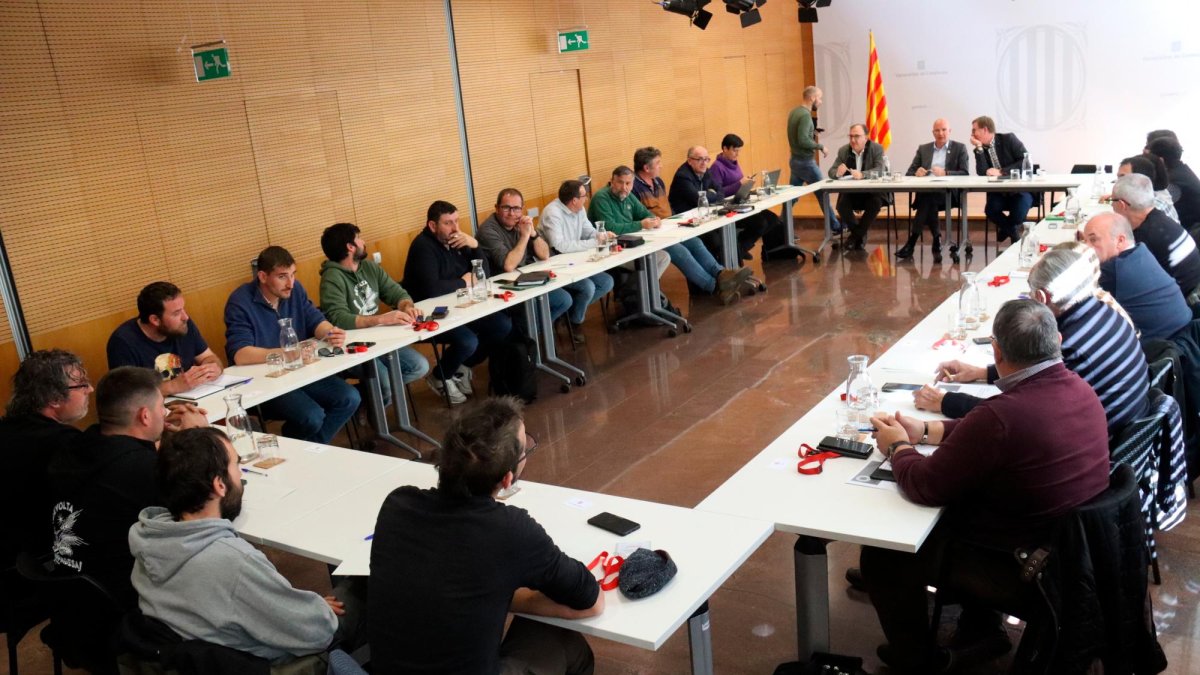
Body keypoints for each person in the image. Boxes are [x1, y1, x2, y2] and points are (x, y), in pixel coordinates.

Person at [863, 299, 1111, 674]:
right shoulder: (1079, 389)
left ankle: (916, 661)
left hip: (1021, 569)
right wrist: (928, 430)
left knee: (883, 554)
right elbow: (989, 431)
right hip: (1073, 558)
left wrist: (897, 446)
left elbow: (923, 484)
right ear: (1056, 340)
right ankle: (981, 628)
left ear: (996, 350)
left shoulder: (1003, 417)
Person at [368, 397, 604, 674]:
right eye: (525, 448)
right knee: (564, 641)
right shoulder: (512, 531)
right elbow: (590, 599)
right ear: (507, 479)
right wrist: (510, 595)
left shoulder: (397, 504)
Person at [129, 427, 361, 669]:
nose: (240, 475)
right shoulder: (233, 562)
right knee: (363, 587)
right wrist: (312, 608)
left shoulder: (149, 538)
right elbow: (317, 632)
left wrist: (297, 606)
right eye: (236, 466)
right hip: (272, 663)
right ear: (220, 485)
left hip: (200, 653)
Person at [916, 247, 1149, 432]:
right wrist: (982, 372)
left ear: (1041, 297)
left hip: (1098, 444)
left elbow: (1018, 416)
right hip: (1122, 429)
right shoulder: (1103, 311)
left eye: (1029, 292)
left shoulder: (1070, 347)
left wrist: (945, 401)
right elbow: (1035, 376)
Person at [46, 367, 206, 608]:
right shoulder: (142, 470)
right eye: (161, 407)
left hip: (71, 594)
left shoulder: (75, 448)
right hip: (125, 603)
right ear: (144, 416)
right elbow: (204, 506)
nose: (165, 414)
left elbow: (131, 459)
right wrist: (200, 435)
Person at [224, 246, 360, 443]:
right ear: (262, 276)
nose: (290, 283)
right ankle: (307, 448)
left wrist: (330, 332)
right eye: (282, 277)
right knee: (311, 416)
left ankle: (310, 448)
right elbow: (241, 354)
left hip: (301, 371)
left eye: (293, 275)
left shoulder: (295, 291)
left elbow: (315, 319)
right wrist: (288, 353)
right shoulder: (240, 302)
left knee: (349, 398)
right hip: (268, 380)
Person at [404, 200, 514, 404]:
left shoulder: (458, 241)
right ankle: (440, 376)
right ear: (432, 226)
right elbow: (431, 290)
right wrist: (463, 282)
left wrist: (475, 246)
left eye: (456, 221)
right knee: (468, 340)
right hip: (430, 314)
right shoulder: (423, 247)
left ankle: (461, 366)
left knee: (502, 325)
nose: (455, 228)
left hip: (461, 307)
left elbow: (484, 275)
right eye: (448, 223)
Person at [596, 161, 748, 305]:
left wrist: (652, 220)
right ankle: (716, 287)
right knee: (678, 251)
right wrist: (640, 224)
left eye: (628, 183)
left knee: (694, 241)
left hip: (637, 238)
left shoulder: (628, 195)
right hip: (615, 247)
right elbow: (611, 227)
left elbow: (644, 213)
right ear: (612, 181)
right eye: (620, 183)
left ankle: (721, 273)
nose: (624, 187)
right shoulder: (602, 198)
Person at [318, 222, 430, 406]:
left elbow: (397, 293)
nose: (363, 242)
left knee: (419, 366)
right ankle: (372, 407)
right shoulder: (331, 278)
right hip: (350, 346)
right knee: (383, 380)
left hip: (378, 340)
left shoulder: (369, 268)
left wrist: (406, 305)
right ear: (350, 247)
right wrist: (380, 319)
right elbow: (338, 319)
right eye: (359, 238)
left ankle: (365, 397)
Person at [1, 350, 91, 573]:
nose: (90, 389)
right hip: (41, 558)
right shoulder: (64, 443)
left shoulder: (8, 429)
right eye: (81, 385)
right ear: (53, 398)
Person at [1083, 212, 1191, 341]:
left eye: (1093, 239)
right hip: (1184, 333)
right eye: (1085, 240)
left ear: (1120, 240)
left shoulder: (1113, 270)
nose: (1087, 247)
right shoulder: (1141, 250)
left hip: (1161, 349)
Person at [107, 281, 225, 396]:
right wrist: (173, 386)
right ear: (155, 320)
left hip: (195, 399)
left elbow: (208, 357)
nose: (185, 317)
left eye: (183, 309)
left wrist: (213, 367)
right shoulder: (122, 342)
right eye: (176, 313)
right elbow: (127, 394)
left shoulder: (183, 325)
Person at [478, 187, 573, 323]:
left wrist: (532, 233)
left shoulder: (521, 223)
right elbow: (509, 265)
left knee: (564, 300)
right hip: (503, 287)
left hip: (526, 279)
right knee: (559, 301)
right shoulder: (488, 230)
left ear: (522, 209)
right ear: (497, 208)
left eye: (516, 208)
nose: (512, 213)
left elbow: (545, 255)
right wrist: (524, 237)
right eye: (506, 208)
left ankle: (532, 333)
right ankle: (527, 334)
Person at [538, 179, 617, 341]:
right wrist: (595, 242)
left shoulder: (579, 209)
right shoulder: (552, 213)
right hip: (556, 265)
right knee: (588, 287)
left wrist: (601, 236)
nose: (586, 198)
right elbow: (559, 246)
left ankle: (569, 312)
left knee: (606, 282)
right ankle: (575, 322)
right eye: (584, 196)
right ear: (574, 200)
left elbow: (588, 231)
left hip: (577, 260)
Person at [668, 145, 765, 262]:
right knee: (716, 240)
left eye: (706, 159)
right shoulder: (683, 176)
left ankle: (735, 258)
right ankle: (726, 270)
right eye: (699, 159)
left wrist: (709, 195)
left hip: (704, 214)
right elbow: (696, 198)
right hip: (687, 220)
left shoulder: (705, 171)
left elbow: (720, 191)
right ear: (690, 161)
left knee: (753, 225)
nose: (704, 163)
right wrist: (710, 195)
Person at [1111, 173, 1200, 298]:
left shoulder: (1144, 238)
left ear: (1121, 205)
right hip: (1192, 287)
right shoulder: (1159, 218)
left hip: (1180, 299)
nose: (1111, 205)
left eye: (1112, 200)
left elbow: (1125, 278)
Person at [898, 118, 970, 262]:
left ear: (950, 131)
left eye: (944, 130)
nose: (940, 133)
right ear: (933, 133)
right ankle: (935, 239)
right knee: (928, 199)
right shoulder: (923, 149)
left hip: (949, 194)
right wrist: (916, 173)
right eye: (937, 130)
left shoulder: (959, 148)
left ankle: (912, 242)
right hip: (928, 192)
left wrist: (946, 173)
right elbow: (909, 173)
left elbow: (964, 173)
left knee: (927, 200)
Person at [708, 133, 788, 259]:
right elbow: (719, 193)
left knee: (773, 219)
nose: (737, 154)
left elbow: (738, 185)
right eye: (735, 150)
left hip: (740, 201)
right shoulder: (716, 167)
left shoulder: (734, 163)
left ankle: (740, 248)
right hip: (729, 207)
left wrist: (747, 185)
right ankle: (740, 249)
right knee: (760, 223)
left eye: (739, 150)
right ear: (724, 149)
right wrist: (739, 184)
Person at [970, 115, 1033, 244]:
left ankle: (1006, 230)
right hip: (999, 192)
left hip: (1019, 190)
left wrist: (1001, 172)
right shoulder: (981, 148)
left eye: (974, 130)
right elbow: (982, 172)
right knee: (990, 210)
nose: (972, 134)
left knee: (1019, 213)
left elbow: (1025, 161)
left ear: (985, 130)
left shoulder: (1008, 139)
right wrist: (979, 148)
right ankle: (1013, 232)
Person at [786, 85, 839, 230]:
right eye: (820, 98)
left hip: (795, 161)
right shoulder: (805, 115)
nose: (820, 102)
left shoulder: (794, 112)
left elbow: (798, 135)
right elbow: (803, 140)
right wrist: (820, 146)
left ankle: (780, 228)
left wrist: (812, 132)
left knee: (791, 198)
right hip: (805, 163)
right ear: (812, 98)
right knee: (823, 193)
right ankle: (835, 227)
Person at [827, 123, 885, 252]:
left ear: (866, 137)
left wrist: (863, 175)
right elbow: (831, 171)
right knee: (842, 205)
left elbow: (881, 169)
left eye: (857, 136)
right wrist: (838, 173)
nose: (853, 140)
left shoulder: (876, 149)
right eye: (851, 136)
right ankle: (860, 235)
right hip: (852, 193)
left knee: (876, 203)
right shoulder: (844, 150)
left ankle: (854, 237)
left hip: (870, 193)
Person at [1147, 135, 1200, 231]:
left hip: (1191, 230)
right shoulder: (1181, 171)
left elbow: (1157, 204)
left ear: (1160, 160)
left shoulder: (1173, 180)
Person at [1115, 154, 1180, 223]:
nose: (1117, 182)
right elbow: (1118, 201)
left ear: (1141, 178)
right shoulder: (1150, 195)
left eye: (1123, 177)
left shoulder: (1152, 208)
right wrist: (1109, 200)